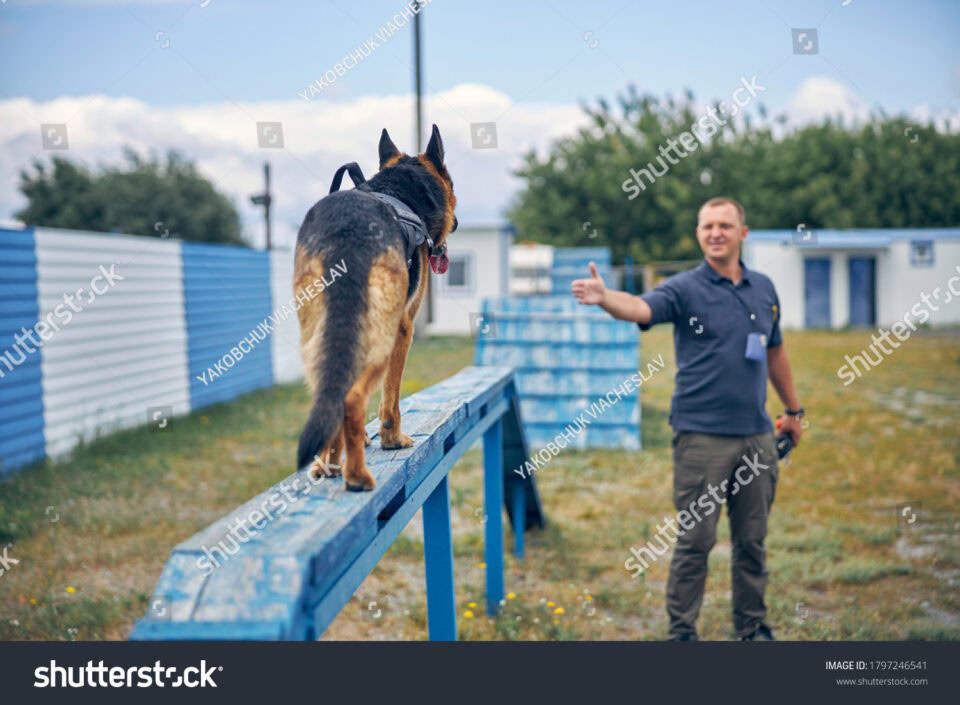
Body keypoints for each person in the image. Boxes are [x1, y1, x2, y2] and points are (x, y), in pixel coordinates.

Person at [571, 197, 803, 641]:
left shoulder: (764, 289)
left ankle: (752, 629)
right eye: (707, 226)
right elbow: (641, 308)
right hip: (701, 438)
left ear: (743, 233)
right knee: (695, 542)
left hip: (756, 436)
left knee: (752, 542)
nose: (715, 233)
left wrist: (793, 411)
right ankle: (682, 633)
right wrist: (605, 299)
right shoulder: (684, 289)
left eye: (724, 225)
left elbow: (775, 351)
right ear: (699, 234)